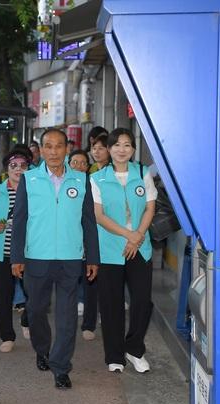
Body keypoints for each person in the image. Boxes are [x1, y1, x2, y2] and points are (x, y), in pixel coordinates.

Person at [11, 128, 100, 390]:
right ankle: (42, 350)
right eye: (48, 146)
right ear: (41, 149)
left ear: (66, 149)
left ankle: (61, 366)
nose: (53, 151)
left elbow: (88, 221)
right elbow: (20, 220)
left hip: (71, 258)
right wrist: (17, 256)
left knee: (67, 315)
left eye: (58, 146)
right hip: (36, 257)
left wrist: (92, 257)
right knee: (36, 311)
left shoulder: (81, 180)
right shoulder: (30, 179)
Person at [90, 127, 157, 374]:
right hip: (110, 249)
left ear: (133, 149)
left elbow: (150, 208)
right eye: (117, 145)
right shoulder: (97, 178)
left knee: (142, 301)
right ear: (108, 149)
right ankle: (114, 355)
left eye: (127, 145)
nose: (122, 150)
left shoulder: (142, 172)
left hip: (141, 248)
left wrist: (138, 236)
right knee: (111, 303)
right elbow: (98, 216)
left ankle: (135, 348)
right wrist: (129, 235)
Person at [0, 149, 32, 353]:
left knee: (34, 294)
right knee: (3, 296)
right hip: (1, 254)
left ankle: (27, 320)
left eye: (23, 165)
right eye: (13, 166)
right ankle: (7, 335)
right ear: (7, 169)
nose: (18, 169)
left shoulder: (35, 191)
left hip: (29, 253)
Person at [68, 150, 99, 341]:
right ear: (69, 164)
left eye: (83, 163)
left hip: (87, 245)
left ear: (88, 167)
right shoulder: (63, 184)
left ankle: (89, 324)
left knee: (90, 287)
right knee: (69, 288)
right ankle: (68, 323)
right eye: (75, 162)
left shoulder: (93, 185)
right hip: (69, 245)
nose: (79, 166)